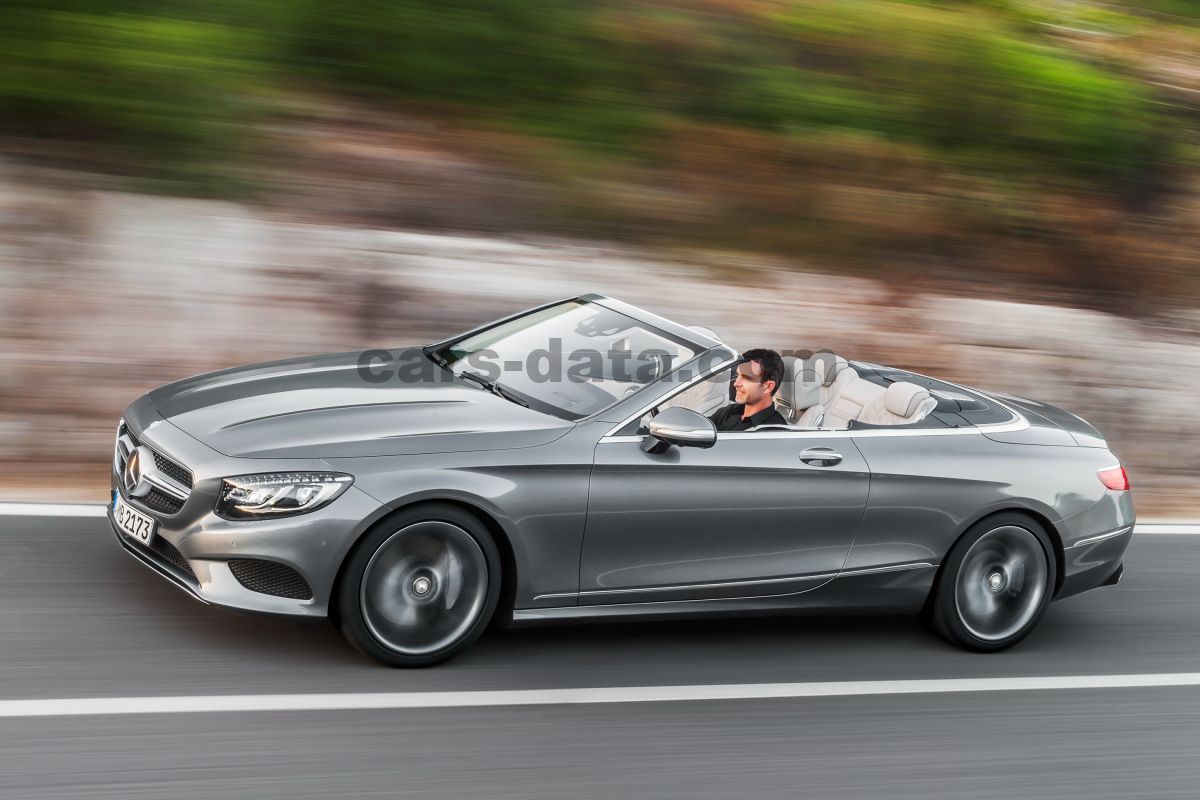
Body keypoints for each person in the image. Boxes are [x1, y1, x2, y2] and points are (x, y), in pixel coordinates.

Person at [707, 348, 788, 431]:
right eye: (737, 376)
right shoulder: (729, 411)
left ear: (768, 386)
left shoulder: (774, 433)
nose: (736, 384)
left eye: (746, 378)